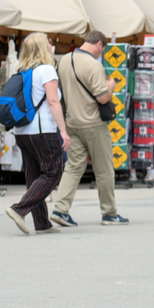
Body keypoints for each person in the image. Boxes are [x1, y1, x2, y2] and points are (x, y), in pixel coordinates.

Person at [51, 30, 127, 227]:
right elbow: (103, 97)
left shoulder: (64, 60)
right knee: (104, 169)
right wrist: (110, 85)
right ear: (99, 44)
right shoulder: (94, 65)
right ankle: (109, 213)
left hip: (72, 122)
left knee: (73, 168)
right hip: (93, 124)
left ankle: (60, 209)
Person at [4, 33, 70, 235]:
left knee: (33, 175)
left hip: (22, 131)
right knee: (53, 172)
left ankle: (42, 223)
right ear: (43, 47)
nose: (52, 44)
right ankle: (19, 209)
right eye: (49, 42)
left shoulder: (21, 71)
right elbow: (53, 101)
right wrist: (63, 130)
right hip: (43, 130)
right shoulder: (47, 70)